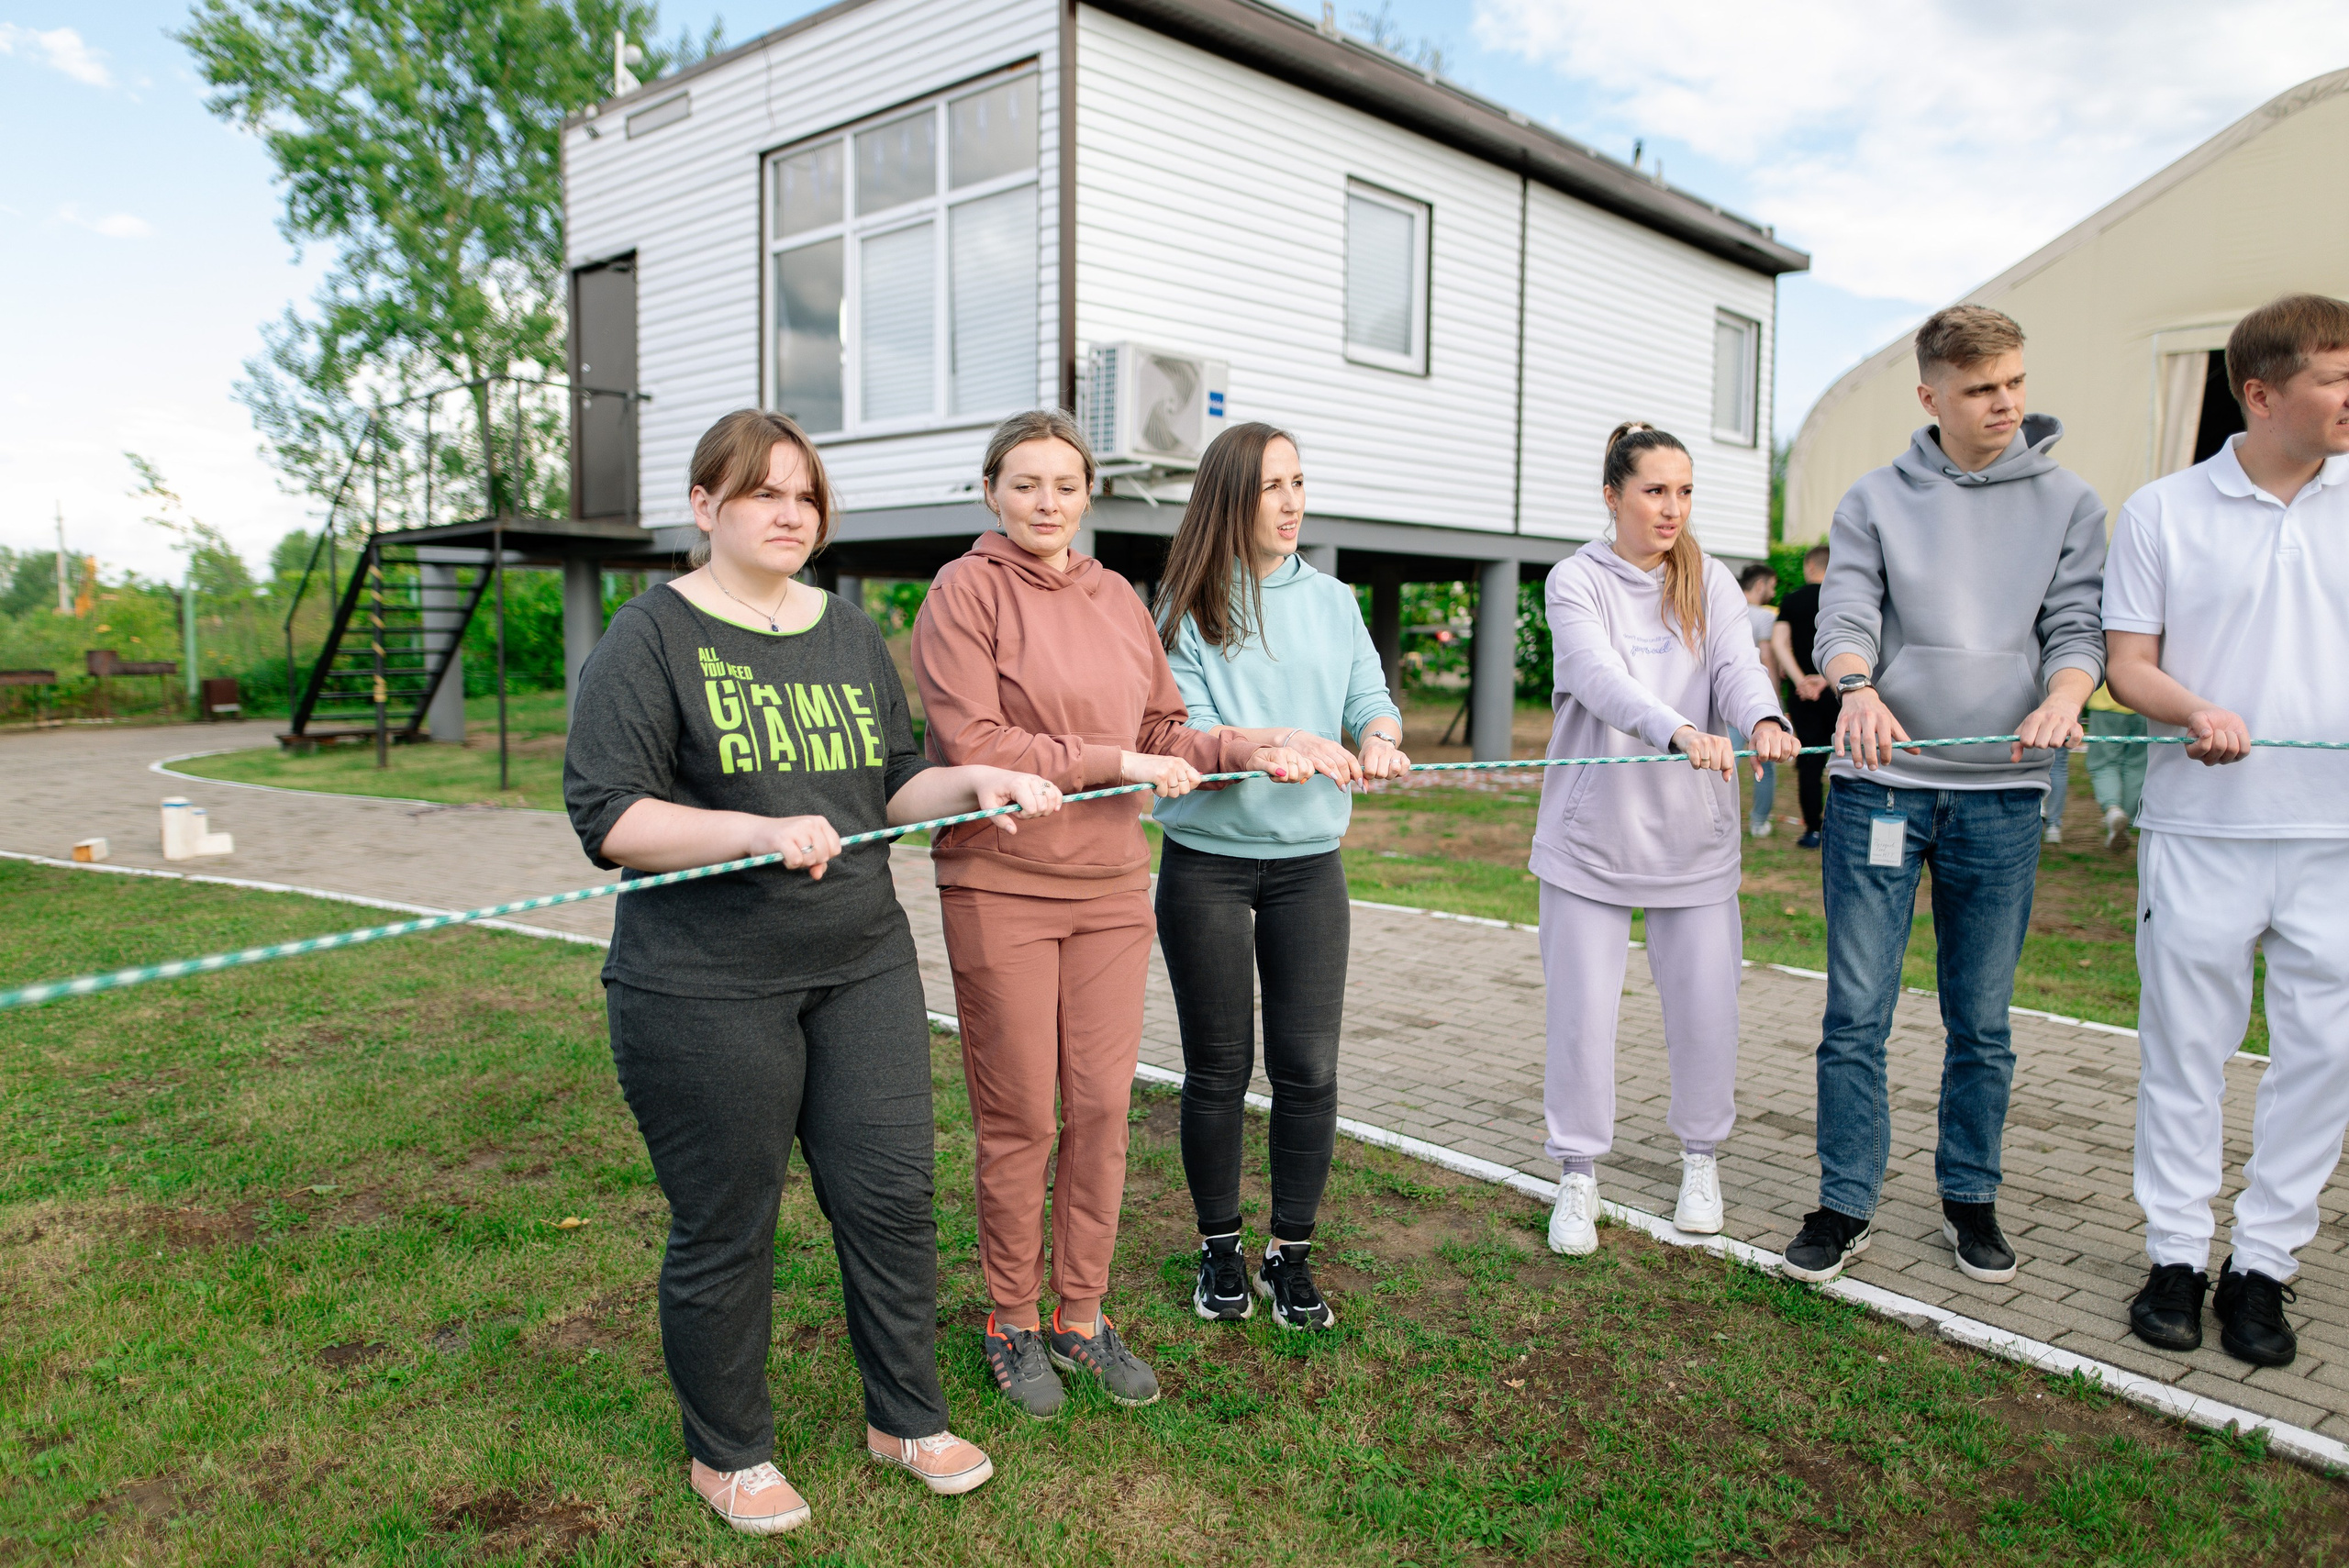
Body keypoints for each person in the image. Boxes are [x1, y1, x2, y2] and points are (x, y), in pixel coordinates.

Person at [564, 409, 1064, 1534]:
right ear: (706, 508)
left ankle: (905, 1416)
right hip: (701, 983)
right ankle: (728, 1451)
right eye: (763, 494)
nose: (790, 513)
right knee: (727, 1222)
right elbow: (610, 816)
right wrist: (750, 827)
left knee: (889, 1199)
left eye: (805, 496)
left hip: (860, 963)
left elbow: (891, 785)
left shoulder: (844, 630)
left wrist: (971, 780)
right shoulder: (648, 638)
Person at [909, 409, 1314, 1419]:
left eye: (1064, 484)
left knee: (1097, 1108)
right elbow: (977, 741)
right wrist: (1117, 764)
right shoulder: (965, 591)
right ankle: (1010, 1317)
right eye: (1025, 484)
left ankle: (1080, 1315)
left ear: (1089, 493)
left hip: (1106, 889)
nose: (1047, 503)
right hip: (1000, 884)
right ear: (991, 492)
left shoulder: (1116, 598)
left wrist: (1247, 742)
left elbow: (1162, 725)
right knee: (1023, 1116)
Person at [1782, 306, 2107, 1286]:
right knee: (1857, 1011)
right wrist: (1856, 684)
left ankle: (1970, 1194)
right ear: (1931, 397)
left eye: (2012, 380)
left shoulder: (2072, 501)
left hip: (2002, 792)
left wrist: (2063, 695)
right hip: (1881, 787)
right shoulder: (1874, 497)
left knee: (1983, 1017)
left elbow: (2076, 626)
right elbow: (1845, 614)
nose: (2003, 401)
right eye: (1978, 388)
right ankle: (1844, 1201)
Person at [2110, 294, 2349, 1369]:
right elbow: (2129, 663)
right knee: (2184, 1053)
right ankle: (2174, 1255)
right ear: (2261, 394)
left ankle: (2263, 1266)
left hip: (2334, 842)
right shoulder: (2161, 509)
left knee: (2324, 1057)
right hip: (2199, 831)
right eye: (2336, 379)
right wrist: (2190, 708)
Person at [1149, 422, 1410, 1329]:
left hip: (1308, 870)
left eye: (1300, 481)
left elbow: (1368, 698)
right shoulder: (1184, 605)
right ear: (1231, 498)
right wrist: (1276, 746)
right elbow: (1190, 730)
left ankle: (1290, 1254)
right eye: (1272, 486)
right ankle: (1219, 1250)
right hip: (1208, 866)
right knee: (1218, 1068)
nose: (1293, 500)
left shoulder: (1333, 601)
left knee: (1308, 1069)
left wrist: (1377, 737)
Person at [1533, 422, 1798, 1256]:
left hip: (1695, 840)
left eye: (1684, 491)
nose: (1672, 507)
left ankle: (1700, 1159)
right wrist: (1679, 728)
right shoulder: (1574, 580)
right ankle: (1578, 1173)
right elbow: (1597, 677)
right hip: (1590, 839)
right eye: (1655, 490)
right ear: (1612, 495)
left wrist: (1759, 715)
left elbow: (1736, 665)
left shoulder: (1710, 580)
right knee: (1581, 1015)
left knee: (1706, 1012)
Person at [1768, 545, 1835, 848]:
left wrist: (1800, 680)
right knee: (1849, 759)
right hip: (1839, 690)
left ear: (1809, 568)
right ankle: (1844, 828)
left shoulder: (1792, 600)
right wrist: (1826, 678)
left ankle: (1813, 829)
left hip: (1803, 695)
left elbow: (1779, 643)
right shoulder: (1841, 600)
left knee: (1809, 761)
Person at [1737, 562, 1782, 839]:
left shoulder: (1719, 609)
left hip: (1722, 703)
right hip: (1755, 703)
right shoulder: (1764, 618)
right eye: (1772, 586)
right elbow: (1767, 657)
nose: (1773, 592)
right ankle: (1758, 822)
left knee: (1718, 762)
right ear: (1760, 584)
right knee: (1764, 762)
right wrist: (1775, 701)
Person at [2083, 684, 2147, 849]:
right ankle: (2125, 823)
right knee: (2136, 766)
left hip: (2106, 703)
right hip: (2145, 705)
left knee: (2103, 764)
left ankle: (2113, 811)